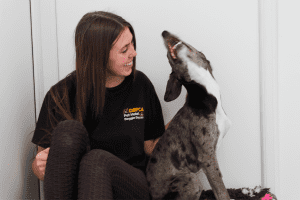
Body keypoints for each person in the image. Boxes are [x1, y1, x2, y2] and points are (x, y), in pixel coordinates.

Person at [30, 11, 172, 199]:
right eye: (124, 49)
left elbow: (152, 147)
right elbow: (43, 168)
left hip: (131, 187)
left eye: (132, 44)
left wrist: (190, 113)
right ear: (100, 56)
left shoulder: (140, 85)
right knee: (68, 131)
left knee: (97, 160)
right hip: (79, 191)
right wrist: (37, 167)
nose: (134, 53)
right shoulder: (60, 95)